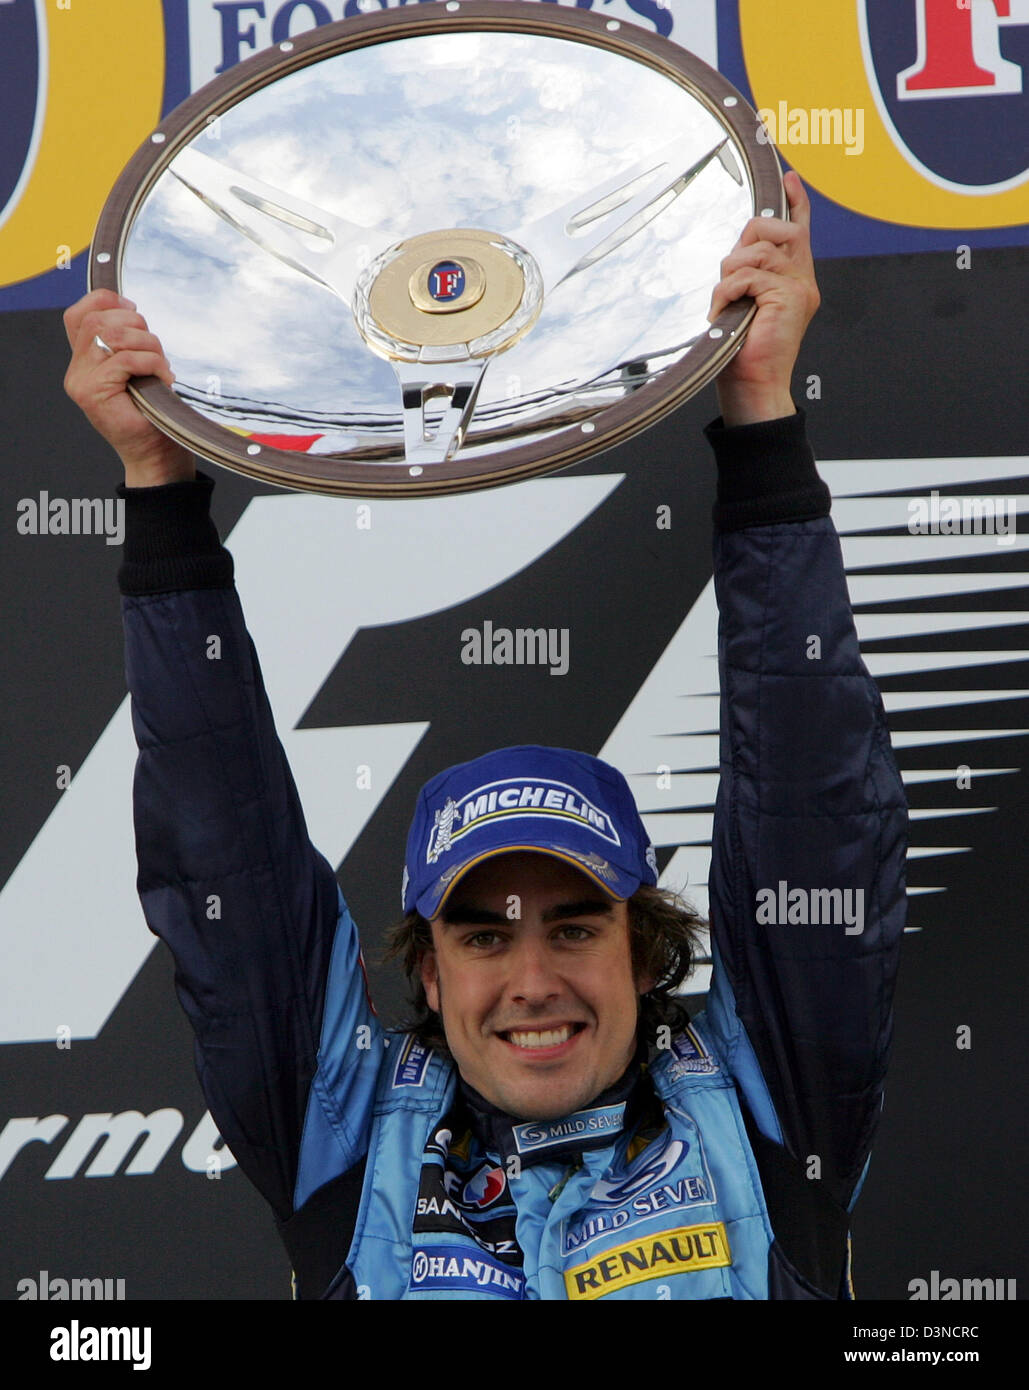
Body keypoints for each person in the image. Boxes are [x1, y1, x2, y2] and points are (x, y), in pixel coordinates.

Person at [64, 172, 907, 1300]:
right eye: (482, 934)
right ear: (425, 964)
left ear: (645, 950)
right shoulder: (352, 1142)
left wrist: (760, 411)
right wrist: (159, 482)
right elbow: (223, 856)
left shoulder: (766, 1102)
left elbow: (815, 805)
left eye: (573, 927)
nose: (532, 980)